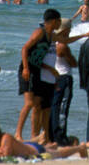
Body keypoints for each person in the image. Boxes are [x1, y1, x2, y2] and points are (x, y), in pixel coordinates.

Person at [17, 9, 60, 141]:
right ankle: (18, 134)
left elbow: (66, 39)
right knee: (29, 103)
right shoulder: (40, 32)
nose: (59, 23)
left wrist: (85, 35)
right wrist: (25, 68)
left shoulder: (50, 35)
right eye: (58, 21)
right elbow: (25, 48)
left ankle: (35, 136)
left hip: (36, 70)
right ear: (53, 21)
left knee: (37, 103)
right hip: (28, 69)